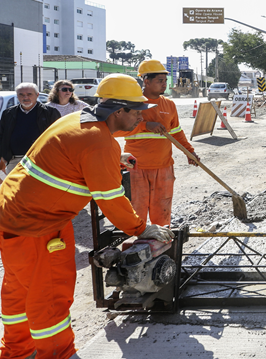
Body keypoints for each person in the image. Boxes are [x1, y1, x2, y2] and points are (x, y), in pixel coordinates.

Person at [0, 73, 173, 359]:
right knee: (50, 293)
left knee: (19, 286)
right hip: (39, 225)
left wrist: (112, 162)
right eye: (137, 112)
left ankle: (17, 350)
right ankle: (58, 353)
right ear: (119, 110)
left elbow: (67, 154)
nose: (140, 119)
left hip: (12, 215)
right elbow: (112, 201)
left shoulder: (78, 121)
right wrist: (142, 229)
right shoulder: (98, 143)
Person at [116, 60, 198, 226]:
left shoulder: (169, 105)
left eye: (165, 81)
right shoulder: (132, 104)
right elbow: (117, 130)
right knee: (135, 212)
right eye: (159, 81)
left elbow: (176, 132)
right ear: (146, 81)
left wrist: (189, 152)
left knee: (162, 212)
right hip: (136, 167)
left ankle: (160, 245)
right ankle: (136, 246)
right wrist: (146, 125)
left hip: (163, 167)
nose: (164, 84)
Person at [0, 83, 60, 180]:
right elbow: (2, 135)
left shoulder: (50, 112)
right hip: (14, 160)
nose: (25, 97)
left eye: (29, 94)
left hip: (41, 159)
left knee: (38, 189)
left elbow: (59, 135)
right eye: (21, 95)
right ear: (17, 96)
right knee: (15, 190)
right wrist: (2, 156)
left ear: (37, 95)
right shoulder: (8, 113)